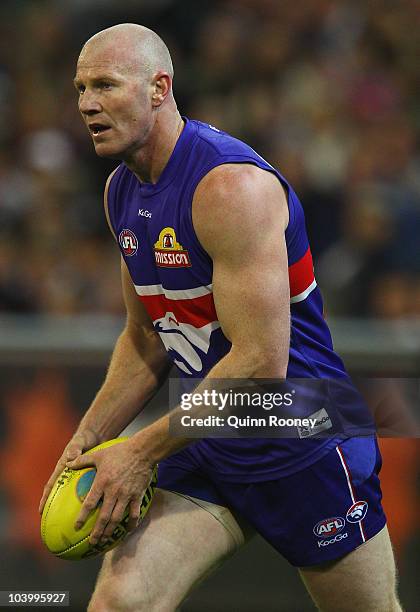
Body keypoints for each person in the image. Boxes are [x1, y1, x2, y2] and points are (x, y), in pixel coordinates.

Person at [39, 23, 402, 612]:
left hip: (303, 440)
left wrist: (138, 451)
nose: (86, 104)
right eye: (80, 88)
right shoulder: (120, 192)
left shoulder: (230, 187)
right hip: (210, 436)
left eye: (105, 85)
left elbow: (261, 363)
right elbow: (145, 342)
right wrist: (87, 440)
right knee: (120, 603)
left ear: (159, 88)